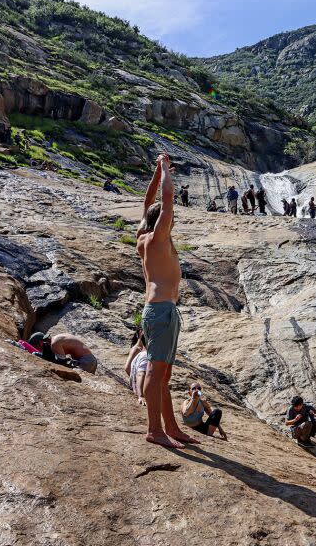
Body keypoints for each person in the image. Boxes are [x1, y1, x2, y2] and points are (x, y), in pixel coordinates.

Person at [136, 154, 198, 449]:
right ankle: (154, 430)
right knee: (154, 371)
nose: (171, 221)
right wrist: (162, 168)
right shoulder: (159, 238)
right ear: (161, 221)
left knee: (163, 375)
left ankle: (171, 427)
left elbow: (149, 202)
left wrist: (154, 175)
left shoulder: (143, 237)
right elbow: (167, 196)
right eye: (167, 218)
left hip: (160, 312)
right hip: (161, 311)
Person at [28, 332, 98, 373]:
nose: (39, 349)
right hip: (91, 360)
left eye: (37, 347)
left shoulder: (54, 343)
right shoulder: (58, 338)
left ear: (40, 342)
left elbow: (61, 362)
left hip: (85, 362)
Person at [124, 329, 148, 406]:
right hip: (141, 388)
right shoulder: (137, 349)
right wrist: (135, 379)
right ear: (141, 333)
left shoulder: (141, 350)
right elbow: (127, 368)